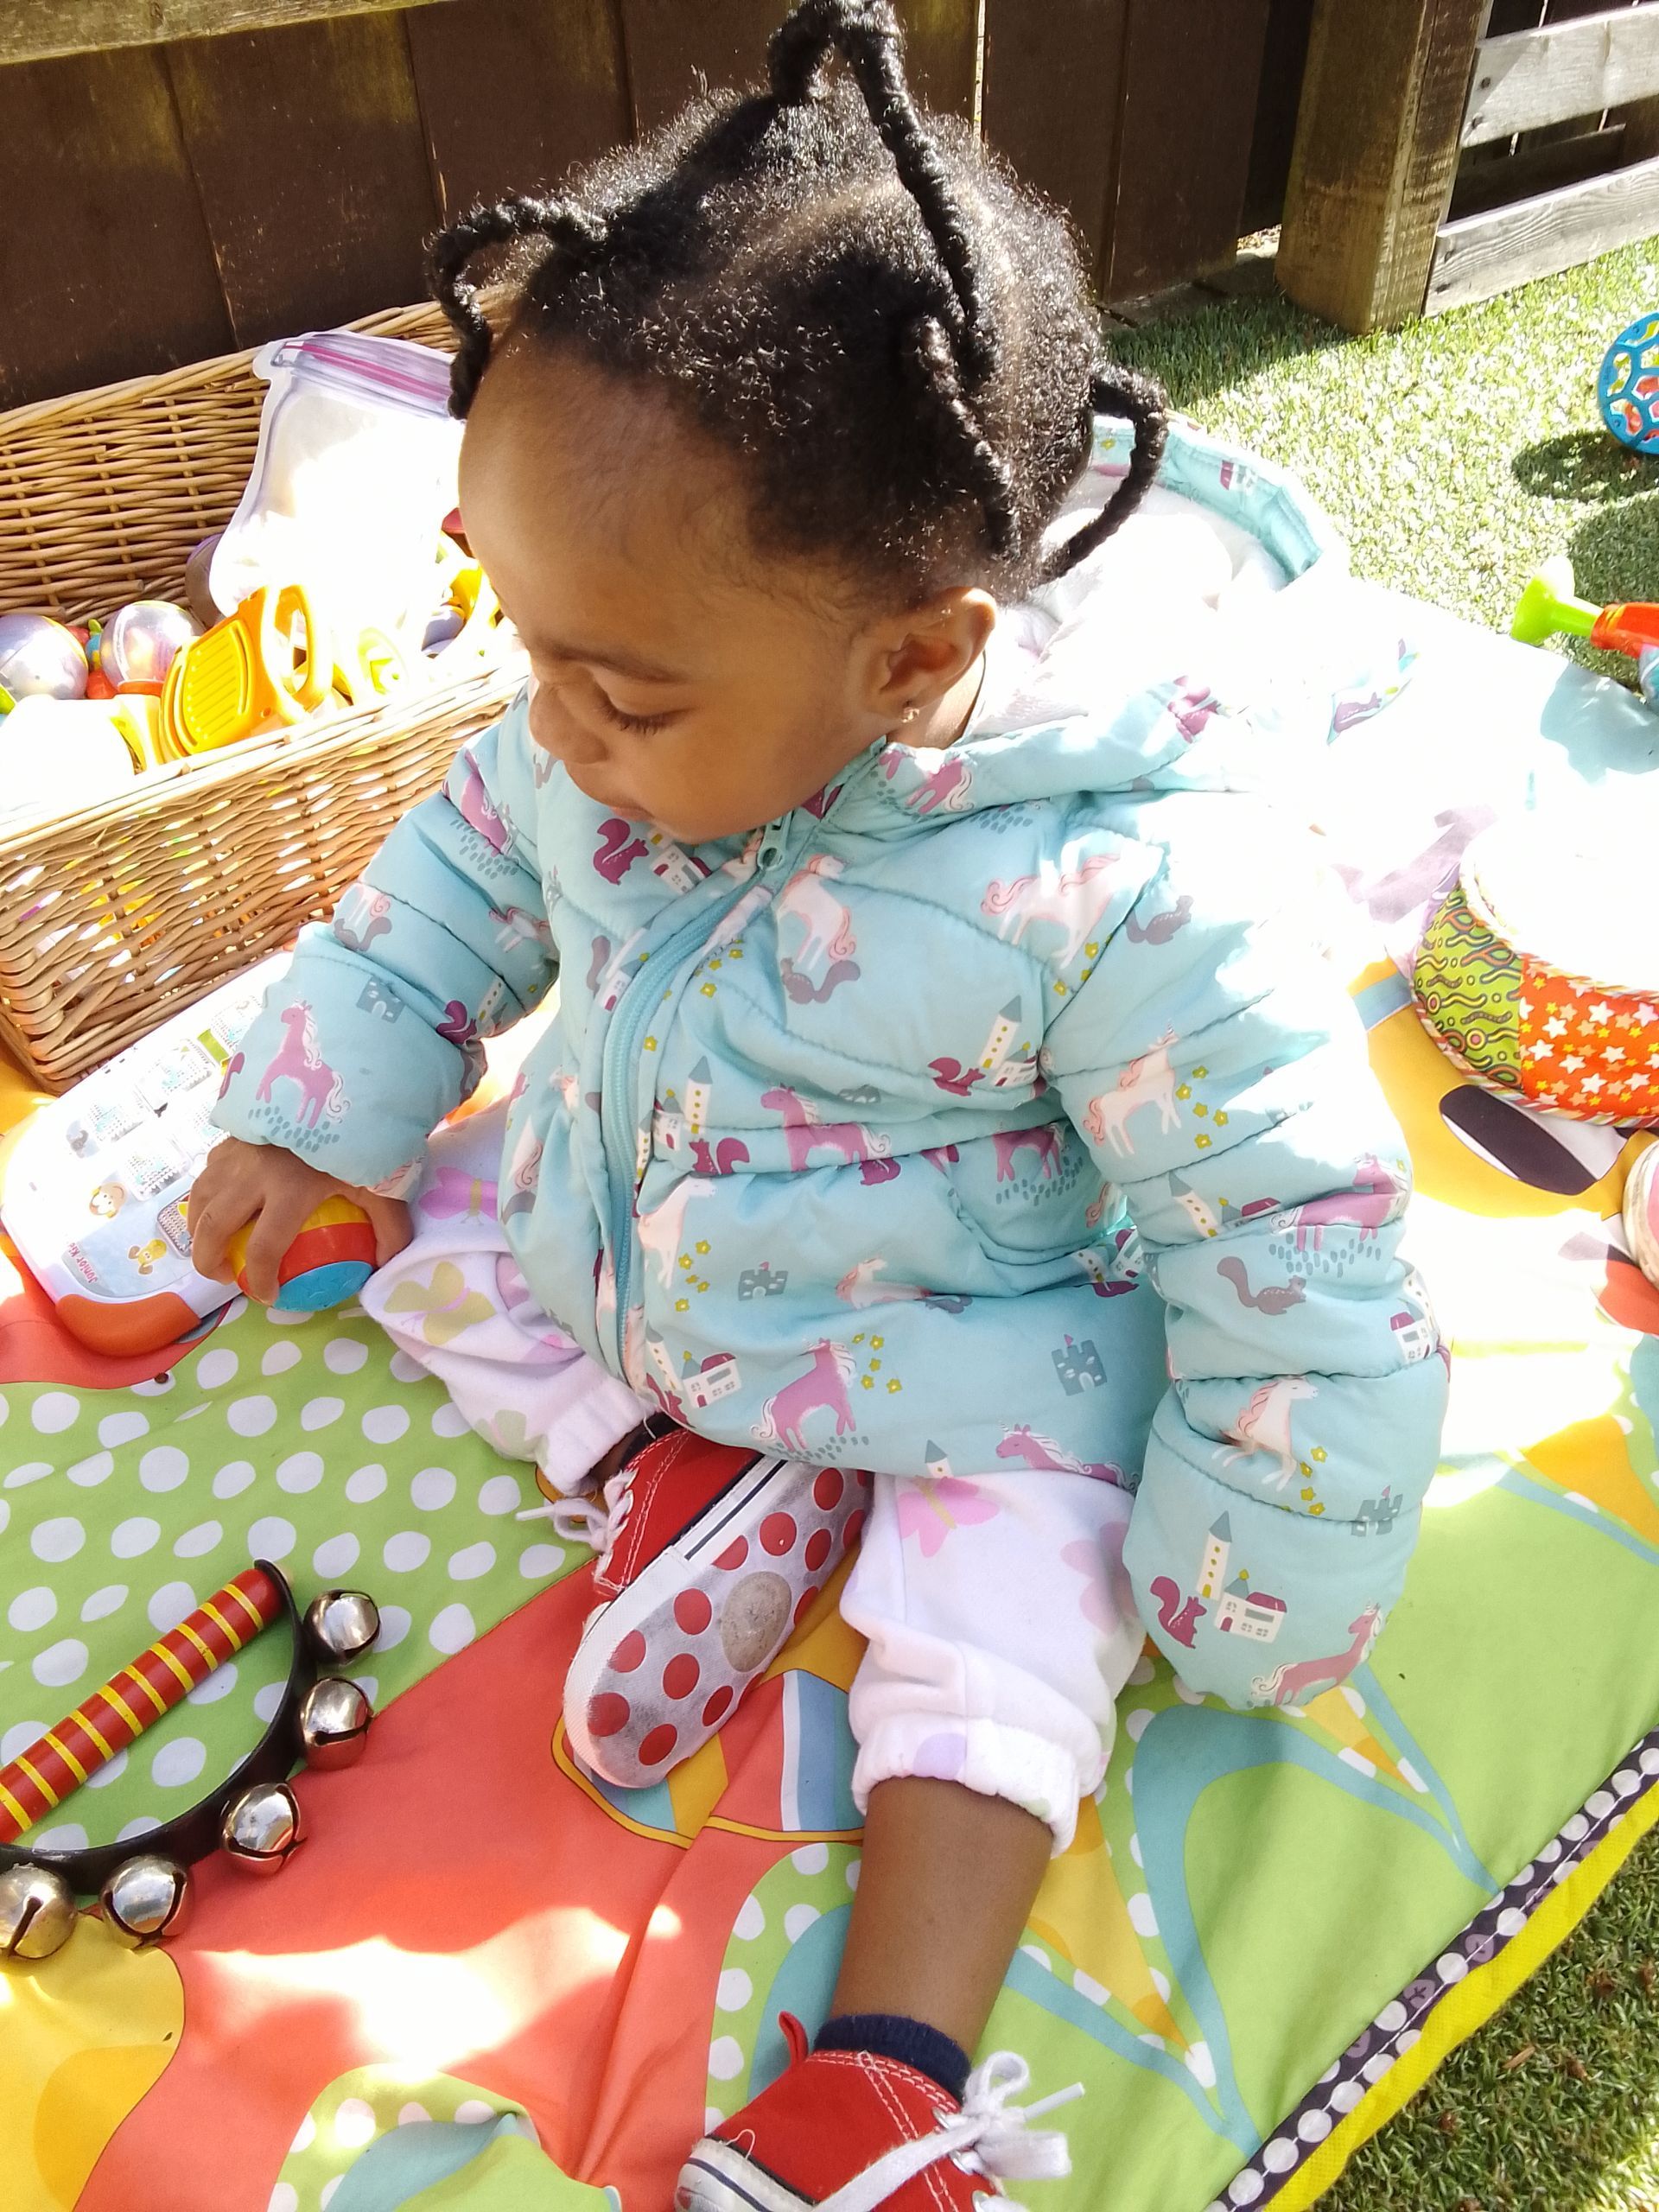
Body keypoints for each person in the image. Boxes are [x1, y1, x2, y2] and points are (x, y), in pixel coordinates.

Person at [190, 4, 1448, 2204]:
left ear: (908, 657)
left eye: (622, 688)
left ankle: (886, 2063)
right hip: (636, 1234)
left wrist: (1259, 1563)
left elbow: (1298, 1244)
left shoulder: (1137, 877)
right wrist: (323, 1115)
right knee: (423, 1249)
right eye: (524, 647)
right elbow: (443, 893)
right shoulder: (592, 712)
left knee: (1023, 1593)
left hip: (974, 1354)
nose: (551, 725)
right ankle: (683, 1468)